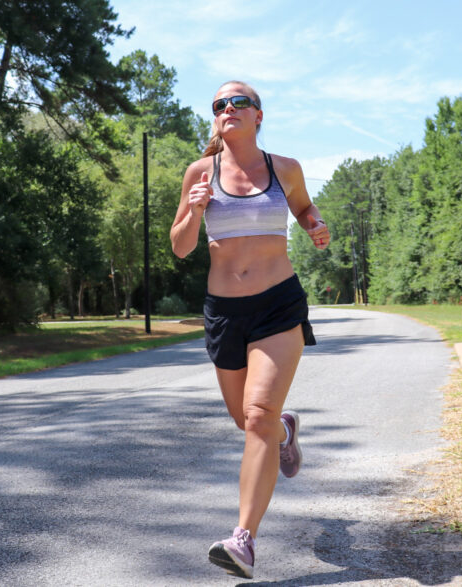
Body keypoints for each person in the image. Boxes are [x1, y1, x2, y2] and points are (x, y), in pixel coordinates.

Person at [170, 80, 330, 579]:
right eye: (220, 104)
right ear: (215, 119)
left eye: (239, 101)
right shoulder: (200, 172)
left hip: (278, 305)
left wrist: (314, 224)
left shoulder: (285, 168)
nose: (229, 108)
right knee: (249, 422)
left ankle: (243, 540)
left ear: (258, 115)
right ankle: (285, 429)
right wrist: (195, 211)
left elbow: (304, 207)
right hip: (224, 311)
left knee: (257, 414)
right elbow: (179, 246)